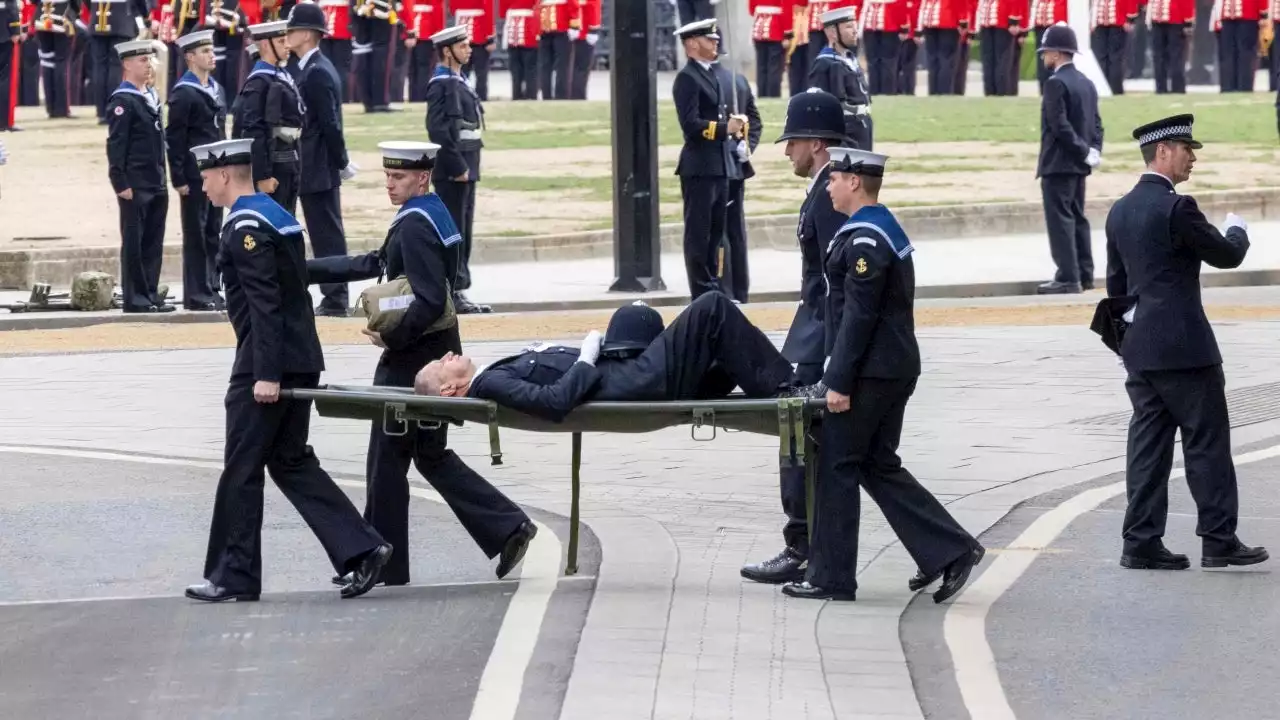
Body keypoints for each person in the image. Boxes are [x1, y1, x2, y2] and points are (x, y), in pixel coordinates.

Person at [303, 141, 538, 587]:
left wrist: (388, 335)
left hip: (414, 360)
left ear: (422, 177)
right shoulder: (433, 211)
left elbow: (429, 300)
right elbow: (378, 263)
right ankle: (508, 526)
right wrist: (308, 269)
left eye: (399, 178)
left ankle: (379, 558)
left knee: (386, 459)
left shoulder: (414, 225)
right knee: (428, 454)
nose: (389, 184)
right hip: (437, 350)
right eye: (388, 176)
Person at [184, 137, 392, 602]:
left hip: (265, 360)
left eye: (205, 177)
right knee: (289, 460)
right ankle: (363, 548)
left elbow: (265, 304)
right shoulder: (277, 214)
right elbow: (298, 275)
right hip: (300, 358)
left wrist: (266, 374)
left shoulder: (245, 227)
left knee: (241, 467)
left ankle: (233, 576)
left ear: (224, 175)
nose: (202, 186)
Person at [781, 146, 985, 603]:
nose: (828, 184)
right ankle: (950, 551)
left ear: (855, 182)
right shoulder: (874, 229)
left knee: (837, 464)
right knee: (876, 464)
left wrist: (838, 381)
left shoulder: (866, 239)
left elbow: (859, 317)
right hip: (888, 370)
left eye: (835, 177)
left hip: (872, 374)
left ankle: (831, 578)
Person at [1104, 114, 1268, 571]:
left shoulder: (1119, 210)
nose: (1192, 157)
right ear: (1162, 152)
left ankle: (1139, 542)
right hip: (1186, 349)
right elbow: (1227, 255)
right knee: (1206, 444)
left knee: (1148, 449)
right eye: (1186, 148)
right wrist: (1238, 228)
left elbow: (1116, 288)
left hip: (1141, 350)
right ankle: (1218, 540)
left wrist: (1128, 346)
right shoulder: (1178, 208)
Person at [413, 291, 824, 422]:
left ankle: (774, 386)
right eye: (442, 363)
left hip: (631, 373)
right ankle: (786, 391)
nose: (449, 353)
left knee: (705, 335)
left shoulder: (491, 374)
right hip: (634, 381)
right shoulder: (490, 384)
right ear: (450, 390)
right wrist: (587, 358)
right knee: (712, 306)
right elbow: (553, 403)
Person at [741, 89, 848, 586]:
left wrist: (829, 359)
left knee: (797, 443)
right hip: (811, 333)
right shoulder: (824, 184)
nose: (786, 151)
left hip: (817, 339)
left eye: (795, 141)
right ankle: (807, 543)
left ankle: (801, 544)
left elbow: (834, 280)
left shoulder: (830, 193)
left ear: (819, 143)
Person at [289, 2, 358, 317]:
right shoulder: (309, 67)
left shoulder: (316, 71)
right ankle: (334, 295)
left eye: (292, 30)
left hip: (318, 164)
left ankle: (335, 297)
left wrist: (340, 161)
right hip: (314, 163)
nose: (287, 36)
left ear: (306, 34)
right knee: (324, 232)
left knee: (326, 234)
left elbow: (330, 124)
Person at [672, 18, 745, 301]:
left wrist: (733, 125)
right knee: (699, 234)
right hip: (699, 166)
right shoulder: (687, 79)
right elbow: (690, 124)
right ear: (692, 44)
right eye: (708, 39)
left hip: (719, 165)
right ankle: (701, 290)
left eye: (715, 39)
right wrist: (723, 128)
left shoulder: (711, 74)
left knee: (716, 234)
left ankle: (714, 286)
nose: (715, 43)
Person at [426, 25, 491, 314]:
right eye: (463, 46)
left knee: (464, 228)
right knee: (455, 230)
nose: (469, 49)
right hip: (456, 167)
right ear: (447, 51)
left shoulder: (456, 80)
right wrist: (456, 165)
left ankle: (459, 288)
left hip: (467, 163)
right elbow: (439, 130)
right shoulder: (443, 83)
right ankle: (453, 289)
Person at [1035, 22, 1103, 295]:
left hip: (1058, 163)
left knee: (1060, 220)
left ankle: (1067, 276)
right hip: (1079, 164)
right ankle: (1085, 274)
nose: (1043, 57)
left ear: (1057, 53)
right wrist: (1093, 150)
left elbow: (1058, 126)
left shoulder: (1055, 83)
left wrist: (1081, 150)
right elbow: (1097, 124)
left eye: (1046, 51)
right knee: (1077, 217)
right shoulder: (1086, 83)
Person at [106, 40, 172, 314]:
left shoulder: (150, 95)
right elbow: (116, 144)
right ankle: (136, 297)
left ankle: (151, 292)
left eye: (149, 60)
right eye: (142, 60)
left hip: (155, 178)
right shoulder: (123, 100)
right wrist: (120, 181)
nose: (148, 65)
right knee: (134, 241)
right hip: (135, 181)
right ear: (127, 64)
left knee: (153, 240)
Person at [166, 30, 227, 312]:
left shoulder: (216, 88)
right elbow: (175, 139)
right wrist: (178, 177)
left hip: (218, 172)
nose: (211, 56)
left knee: (214, 230)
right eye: (205, 52)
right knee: (196, 234)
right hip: (194, 175)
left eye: (212, 51)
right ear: (190, 57)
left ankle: (212, 286)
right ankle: (196, 292)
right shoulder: (183, 93)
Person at [234, 19, 303, 214]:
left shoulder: (279, 74)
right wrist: (262, 175)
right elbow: (253, 129)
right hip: (275, 165)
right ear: (265, 45)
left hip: (289, 160)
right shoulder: (258, 81)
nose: (287, 45)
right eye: (281, 41)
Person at [809, 6, 873, 149]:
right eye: (849, 27)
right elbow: (819, 106)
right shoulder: (825, 63)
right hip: (845, 133)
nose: (855, 31)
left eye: (855, 26)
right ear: (832, 33)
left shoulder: (850, 58)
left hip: (862, 126)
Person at [723, 69, 760, 304]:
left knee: (733, 233)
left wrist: (747, 146)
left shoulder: (736, 81)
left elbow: (753, 121)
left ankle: (736, 289)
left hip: (733, 167)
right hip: (717, 165)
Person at [86, 0, 148, 124]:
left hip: (98, 19)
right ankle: (115, 110)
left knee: (99, 67)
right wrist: (144, 14)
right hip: (121, 20)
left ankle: (102, 112)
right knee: (116, 68)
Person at [34, 0, 79, 120]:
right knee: (61, 63)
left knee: (47, 63)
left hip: (42, 15)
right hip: (62, 15)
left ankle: (51, 108)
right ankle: (61, 108)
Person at [919, 0, 971, 95]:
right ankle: (944, 92)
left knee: (933, 61)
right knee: (947, 60)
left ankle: (933, 92)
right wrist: (962, 19)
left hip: (929, 18)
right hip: (948, 19)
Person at [1213, 0, 1265, 93]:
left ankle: (1234, 86)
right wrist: (1263, 12)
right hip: (1235, 15)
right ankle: (1236, 86)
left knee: (1240, 53)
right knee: (1233, 53)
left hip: (1243, 14)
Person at [975, 0, 1022, 96]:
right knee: (995, 59)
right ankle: (995, 91)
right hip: (994, 18)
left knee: (997, 59)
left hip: (994, 18)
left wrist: (1014, 21)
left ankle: (996, 91)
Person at [1147, 0, 1193, 94]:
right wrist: (1188, 20)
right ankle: (1177, 88)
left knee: (1159, 56)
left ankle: (1161, 88)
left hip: (1156, 15)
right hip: (1175, 17)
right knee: (1176, 56)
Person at [1091, 0, 1136, 95]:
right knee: (1111, 57)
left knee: (1108, 57)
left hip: (1109, 19)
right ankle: (1114, 89)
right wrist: (1129, 19)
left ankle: (1109, 87)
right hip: (1113, 19)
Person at [404, 0, 442, 101]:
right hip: (427, 29)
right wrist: (439, 31)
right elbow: (437, 9)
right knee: (424, 68)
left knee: (412, 69)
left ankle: (413, 97)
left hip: (408, 28)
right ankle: (422, 97)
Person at [536, 0, 573, 100]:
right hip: (562, 26)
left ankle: (546, 95)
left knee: (545, 66)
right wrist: (574, 25)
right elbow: (573, 4)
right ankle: (561, 96)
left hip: (544, 26)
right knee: (562, 66)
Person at [502, 0, 538, 100]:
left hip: (512, 25)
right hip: (529, 25)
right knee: (530, 68)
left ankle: (517, 95)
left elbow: (502, 7)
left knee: (516, 69)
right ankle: (530, 95)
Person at [751, 0, 786, 98]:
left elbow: (751, 9)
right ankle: (773, 95)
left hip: (759, 28)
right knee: (774, 67)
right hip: (776, 27)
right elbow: (785, 8)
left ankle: (762, 94)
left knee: (761, 66)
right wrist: (787, 31)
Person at [1028, 0, 1064, 89]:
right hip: (1040, 29)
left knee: (1056, 59)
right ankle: (1043, 88)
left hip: (1057, 28)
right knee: (1042, 60)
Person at [1, 0, 23, 131]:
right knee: (5, 79)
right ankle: (4, 121)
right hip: (3, 33)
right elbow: (11, 6)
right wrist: (15, 29)